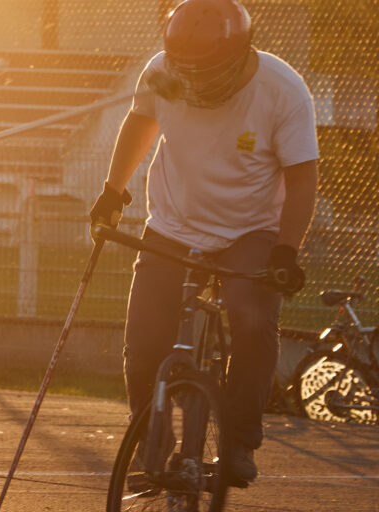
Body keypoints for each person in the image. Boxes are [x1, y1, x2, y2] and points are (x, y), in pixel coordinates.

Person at [90, 0, 318, 484]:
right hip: (173, 223)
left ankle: (239, 440)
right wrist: (113, 191)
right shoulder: (162, 72)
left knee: (253, 317)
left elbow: (301, 179)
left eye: (204, 69)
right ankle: (151, 435)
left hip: (250, 230)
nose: (192, 78)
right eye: (183, 68)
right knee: (144, 339)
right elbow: (141, 121)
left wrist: (286, 251)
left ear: (238, 54)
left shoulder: (282, 90)